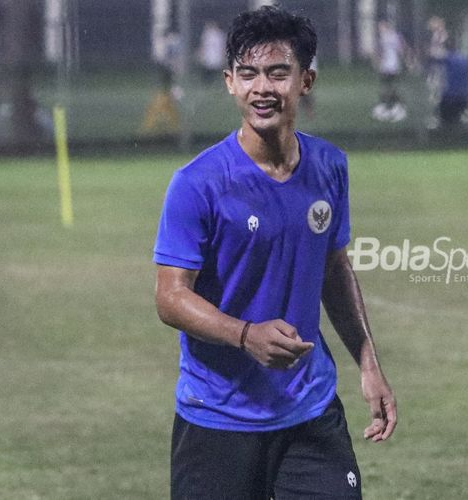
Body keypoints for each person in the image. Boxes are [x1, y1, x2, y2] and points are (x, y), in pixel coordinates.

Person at [154, 6, 397, 499]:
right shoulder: (198, 183)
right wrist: (245, 335)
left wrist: (368, 363)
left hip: (310, 411)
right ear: (230, 82)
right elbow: (170, 297)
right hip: (218, 416)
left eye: (277, 72)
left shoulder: (329, 166)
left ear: (306, 81)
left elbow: (333, 269)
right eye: (248, 74)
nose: (261, 88)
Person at [430, 39, 468, 129]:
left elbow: (434, 59)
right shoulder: (464, 59)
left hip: (450, 96)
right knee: (456, 117)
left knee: (443, 117)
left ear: (446, 48)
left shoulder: (447, 59)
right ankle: (460, 123)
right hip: (465, 95)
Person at [372, 19, 407, 122]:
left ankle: (397, 107)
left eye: (381, 27)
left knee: (390, 87)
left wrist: (405, 60)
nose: (379, 29)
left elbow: (401, 48)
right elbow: (380, 52)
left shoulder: (392, 36)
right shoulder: (385, 37)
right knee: (386, 86)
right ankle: (387, 107)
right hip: (386, 66)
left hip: (392, 66)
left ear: (386, 27)